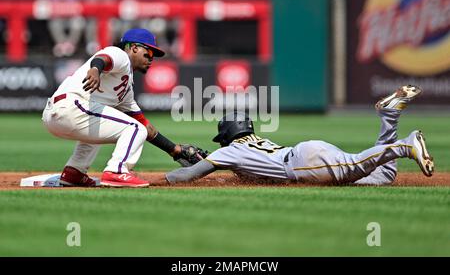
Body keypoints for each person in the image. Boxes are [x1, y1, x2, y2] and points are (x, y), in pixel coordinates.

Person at [165, 85, 435, 186]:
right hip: (307, 155)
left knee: (355, 164)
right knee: (383, 177)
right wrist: (204, 158)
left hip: (303, 163)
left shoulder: (229, 151)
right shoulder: (248, 145)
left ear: (226, 136)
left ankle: (405, 146)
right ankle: (389, 116)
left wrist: (162, 179)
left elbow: (186, 177)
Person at [42, 28, 205, 187]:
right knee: (135, 129)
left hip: (59, 113)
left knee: (113, 126)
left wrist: (174, 150)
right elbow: (103, 58)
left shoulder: (126, 87)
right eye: (149, 53)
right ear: (134, 47)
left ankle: (74, 173)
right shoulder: (121, 55)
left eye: (153, 56)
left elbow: (146, 127)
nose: (151, 59)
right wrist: (95, 70)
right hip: (71, 106)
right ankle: (116, 171)